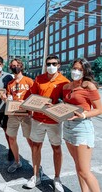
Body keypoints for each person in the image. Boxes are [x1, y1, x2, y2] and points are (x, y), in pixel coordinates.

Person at [26, 55, 69, 191]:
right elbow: (32, 96)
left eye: (54, 63)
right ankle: (36, 176)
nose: (51, 66)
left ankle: (57, 178)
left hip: (54, 121)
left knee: (56, 149)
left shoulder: (64, 81)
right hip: (38, 119)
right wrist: (30, 106)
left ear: (59, 65)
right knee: (35, 147)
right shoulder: (39, 79)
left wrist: (57, 106)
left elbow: (67, 102)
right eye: (48, 64)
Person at [62, 58, 102, 192]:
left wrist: (84, 114)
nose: (76, 71)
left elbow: (99, 109)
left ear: (85, 71)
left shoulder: (88, 86)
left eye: (80, 69)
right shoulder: (66, 87)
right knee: (78, 166)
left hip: (82, 127)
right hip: (67, 127)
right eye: (74, 68)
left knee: (84, 171)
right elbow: (66, 105)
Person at [5, 58, 33, 173]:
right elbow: (8, 97)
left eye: (16, 65)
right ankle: (17, 161)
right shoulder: (10, 84)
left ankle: (36, 164)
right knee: (11, 138)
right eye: (12, 65)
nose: (14, 67)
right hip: (13, 114)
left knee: (30, 140)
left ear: (21, 66)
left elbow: (36, 97)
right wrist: (5, 98)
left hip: (26, 114)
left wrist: (26, 104)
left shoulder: (29, 81)